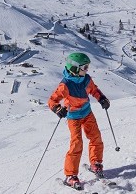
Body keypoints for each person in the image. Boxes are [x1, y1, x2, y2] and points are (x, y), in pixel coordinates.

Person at [47, 52, 110, 190]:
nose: (87, 70)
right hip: (73, 117)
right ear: (75, 68)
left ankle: (96, 164)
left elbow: (94, 90)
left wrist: (102, 98)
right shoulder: (65, 85)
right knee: (77, 143)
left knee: (96, 137)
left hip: (87, 113)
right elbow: (52, 100)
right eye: (85, 67)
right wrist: (57, 109)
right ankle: (70, 175)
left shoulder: (86, 79)